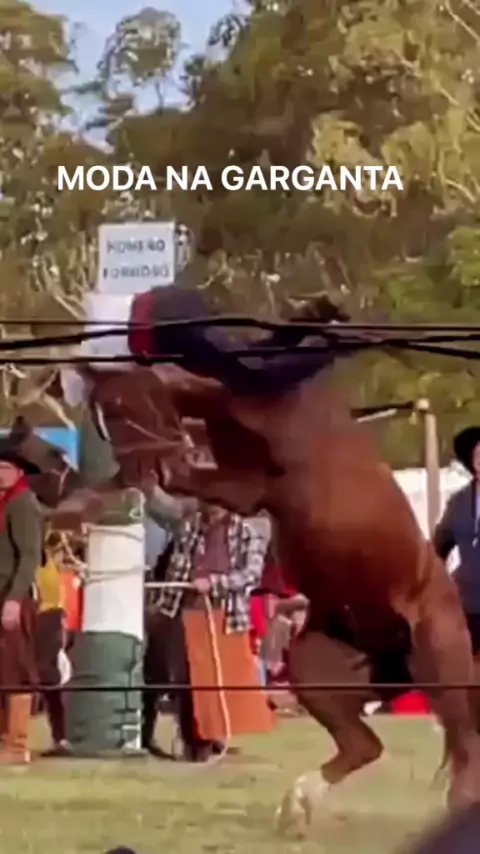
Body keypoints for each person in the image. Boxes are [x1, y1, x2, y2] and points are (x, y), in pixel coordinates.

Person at [154, 503, 272, 761]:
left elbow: (251, 574)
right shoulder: (190, 526)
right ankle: (192, 742)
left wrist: (215, 583)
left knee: (219, 682)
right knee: (186, 680)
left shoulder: (246, 530)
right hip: (187, 609)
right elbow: (176, 565)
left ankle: (214, 738)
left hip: (225, 613)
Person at [0, 436, 43, 764]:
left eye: (5, 468)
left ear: (18, 472)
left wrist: (14, 599)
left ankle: (17, 744)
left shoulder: (23, 503)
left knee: (15, 668)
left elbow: (30, 556)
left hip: (12, 595)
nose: (0, 474)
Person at [433, 426, 480, 655]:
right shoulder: (459, 501)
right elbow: (439, 544)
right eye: (478, 455)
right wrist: (441, 581)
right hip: (469, 602)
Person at [34, 530, 71, 757]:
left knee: (48, 677)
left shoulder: (43, 558)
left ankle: (61, 737)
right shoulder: (45, 560)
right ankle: (60, 737)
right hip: (46, 617)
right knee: (48, 678)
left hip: (47, 618)